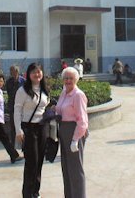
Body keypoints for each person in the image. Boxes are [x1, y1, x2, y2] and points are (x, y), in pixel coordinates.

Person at [14, 62, 50, 198]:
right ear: (28, 75)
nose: (37, 74)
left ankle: (36, 192)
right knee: (31, 162)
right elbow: (17, 111)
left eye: (39, 71)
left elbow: (44, 108)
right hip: (28, 128)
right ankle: (27, 193)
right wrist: (18, 130)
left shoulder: (44, 89)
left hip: (42, 127)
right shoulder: (22, 91)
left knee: (40, 160)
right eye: (34, 72)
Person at [56, 66, 88, 198]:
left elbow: (82, 121)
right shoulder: (64, 93)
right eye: (66, 78)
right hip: (63, 131)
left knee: (75, 169)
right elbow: (60, 109)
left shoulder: (78, 95)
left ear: (76, 79)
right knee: (66, 168)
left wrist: (75, 139)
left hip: (74, 131)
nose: (68, 81)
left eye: (71, 78)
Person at [6, 65, 25, 147]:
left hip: (23, 108)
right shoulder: (9, 82)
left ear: (17, 71)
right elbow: (9, 93)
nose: (12, 73)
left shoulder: (23, 81)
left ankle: (24, 146)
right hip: (12, 107)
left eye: (13, 71)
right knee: (13, 128)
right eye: (11, 71)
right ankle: (13, 146)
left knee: (23, 127)